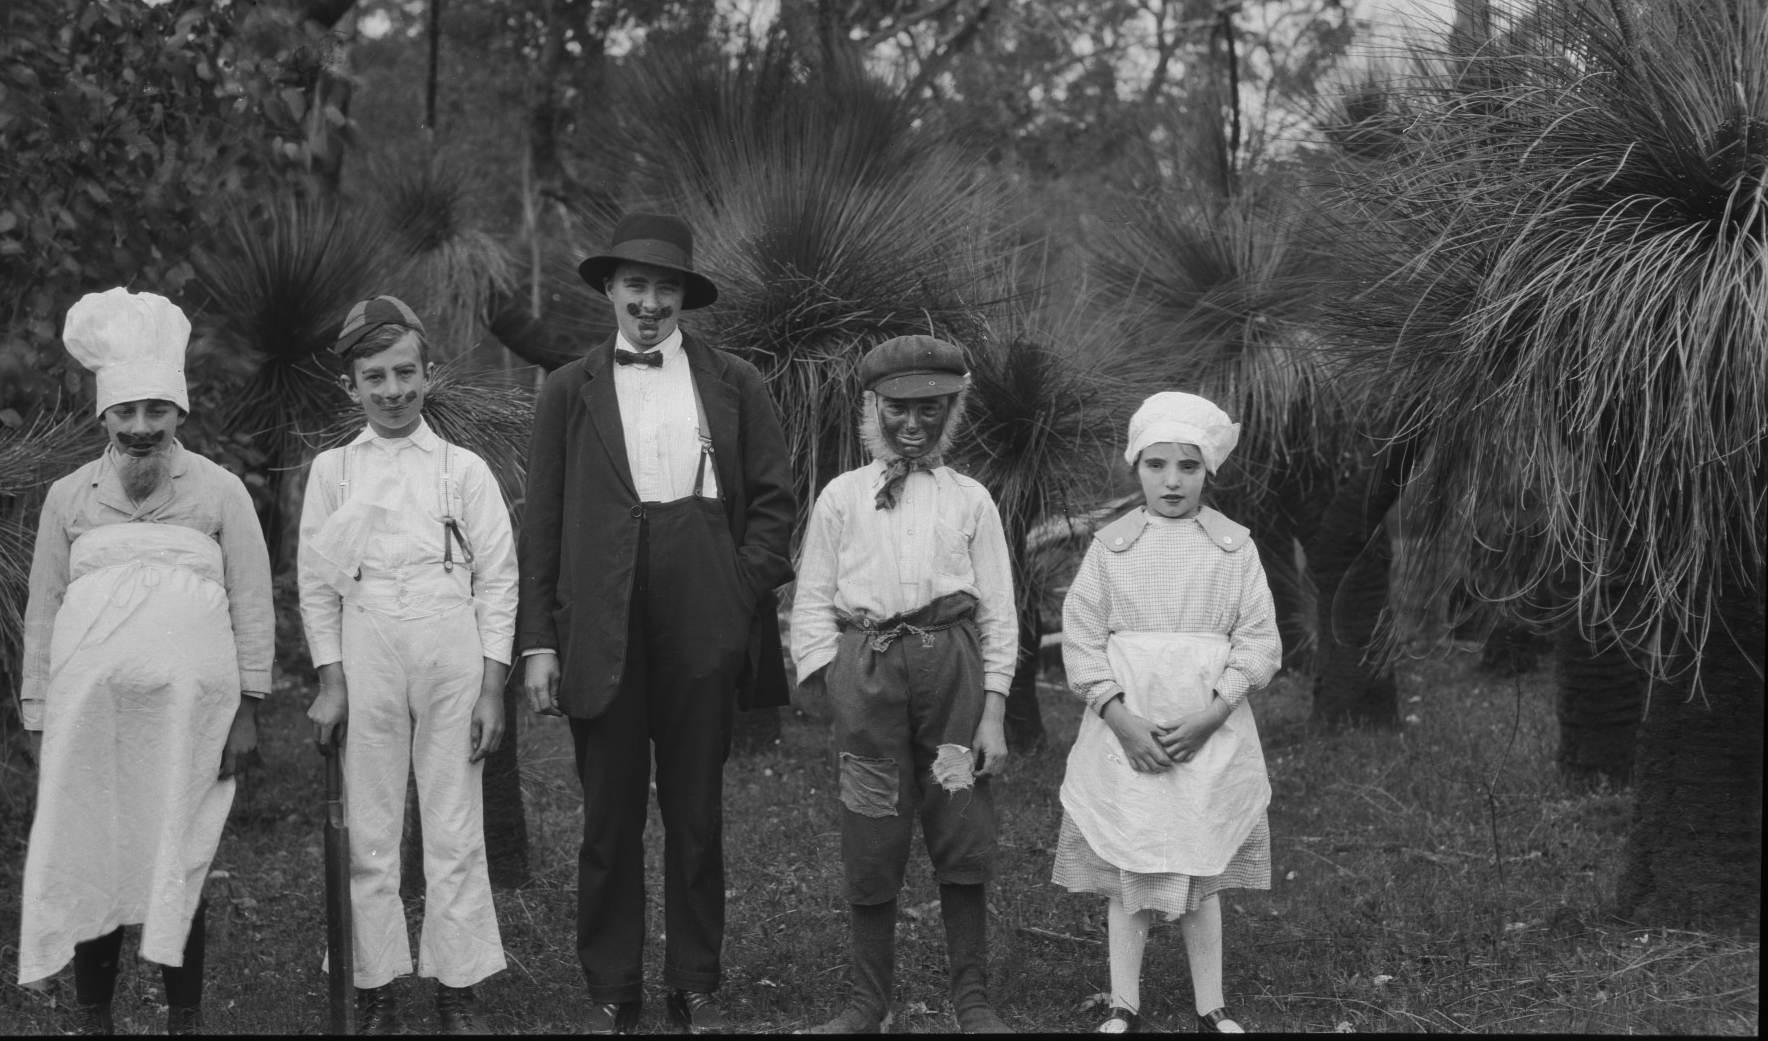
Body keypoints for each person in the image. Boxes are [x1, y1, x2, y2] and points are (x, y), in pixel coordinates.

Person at [517, 213, 796, 1034]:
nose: (649, 303)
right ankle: (613, 986)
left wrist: (735, 591)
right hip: (599, 620)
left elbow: (774, 504)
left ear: (684, 298)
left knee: (695, 812)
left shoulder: (735, 382)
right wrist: (540, 640)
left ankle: (696, 981)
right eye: (635, 286)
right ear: (609, 289)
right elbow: (543, 524)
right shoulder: (568, 389)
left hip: (702, 615)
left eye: (665, 288)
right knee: (608, 817)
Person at [18, 288, 275, 1036]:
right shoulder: (69, 498)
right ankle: (94, 1017)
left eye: (156, 411)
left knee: (178, 858)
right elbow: (44, 608)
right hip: (89, 719)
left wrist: (247, 711)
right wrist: (38, 712)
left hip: (190, 722)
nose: (140, 429)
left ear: (179, 414)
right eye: (125, 413)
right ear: (102, 416)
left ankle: (182, 1019)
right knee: (93, 853)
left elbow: (252, 601)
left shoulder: (222, 492)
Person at [299, 296, 519, 1036]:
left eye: (404, 373)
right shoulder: (333, 472)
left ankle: (458, 989)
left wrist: (492, 685)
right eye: (375, 378)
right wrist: (332, 679)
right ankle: (375, 988)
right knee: (370, 828)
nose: (392, 391)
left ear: (428, 375)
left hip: (450, 646)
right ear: (351, 387)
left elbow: (499, 579)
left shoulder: (464, 470)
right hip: (367, 648)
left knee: (454, 824)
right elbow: (316, 585)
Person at [790, 335, 1019, 1034]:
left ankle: (972, 999)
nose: (913, 423)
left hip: (952, 672)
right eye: (898, 409)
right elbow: (812, 595)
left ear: (952, 410)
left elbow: (998, 610)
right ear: (873, 407)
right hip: (869, 673)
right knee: (870, 823)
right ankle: (866, 1002)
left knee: (961, 819)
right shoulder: (842, 496)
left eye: (930, 408)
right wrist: (833, 680)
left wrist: (993, 712)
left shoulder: (969, 499)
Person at [1054, 392, 1279, 1034]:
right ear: (1137, 467)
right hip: (1127, 732)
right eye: (1156, 465)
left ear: (1208, 471)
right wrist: (1118, 718)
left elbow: (1259, 640)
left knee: (1199, 863)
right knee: (1132, 859)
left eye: (1188, 466)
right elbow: (1082, 637)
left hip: (1206, 732)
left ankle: (1212, 1003)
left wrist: (1213, 715)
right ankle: (1123, 1001)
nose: (1172, 481)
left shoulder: (1234, 549)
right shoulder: (1112, 547)